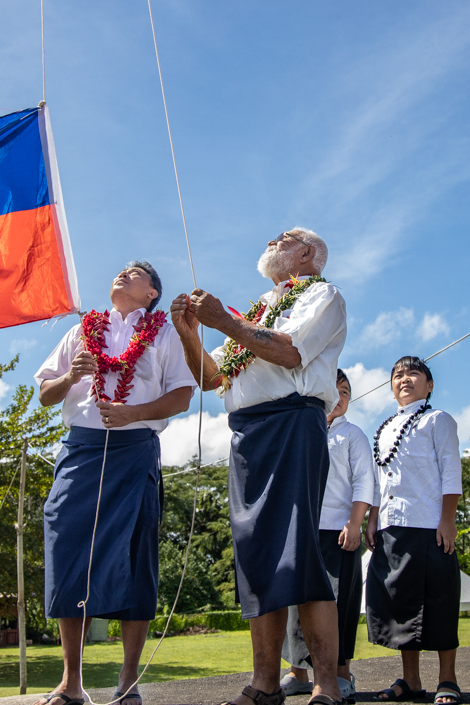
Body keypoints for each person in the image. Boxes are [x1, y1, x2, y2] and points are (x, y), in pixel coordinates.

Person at [170, 227, 347, 705]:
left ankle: (327, 684)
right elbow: (211, 377)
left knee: (299, 552)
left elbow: (289, 351)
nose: (272, 240)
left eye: (285, 237)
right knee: (257, 557)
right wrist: (190, 334)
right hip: (248, 435)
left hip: (292, 422)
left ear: (307, 253)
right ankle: (265, 683)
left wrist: (223, 321)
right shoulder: (258, 310)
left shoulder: (323, 295)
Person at [34, 262, 196, 705]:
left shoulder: (164, 333)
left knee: (134, 552)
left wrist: (132, 414)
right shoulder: (82, 331)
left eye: (137, 273)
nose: (124, 273)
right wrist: (70, 377)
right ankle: (71, 682)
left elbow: (182, 395)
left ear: (152, 294)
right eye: (121, 270)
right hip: (81, 450)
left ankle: (127, 681)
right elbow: (46, 394)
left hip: (135, 447)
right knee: (68, 547)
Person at [365, 356, 463, 705]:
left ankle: (448, 679)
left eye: (413, 373)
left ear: (429, 384)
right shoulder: (386, 426)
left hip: (430, 526)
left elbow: (451, 472)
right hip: (392, 527)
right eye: (397, 374)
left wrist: (447, 520)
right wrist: (373, 519)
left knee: (440, 600)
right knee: (400, 604)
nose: (404, 378)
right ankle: (411, 680)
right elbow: (379, 481)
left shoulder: (438, 420)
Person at [280, 369, 377, 701]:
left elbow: (365, 481)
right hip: (301, 529)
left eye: (346, 392)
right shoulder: (300, 430)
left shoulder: (353, 435)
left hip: (339, 532)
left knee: (338, 604)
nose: (338, 397)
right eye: (332, 389)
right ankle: (297, 672)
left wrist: (355, 522)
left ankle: (341, 673)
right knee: (296, 603)